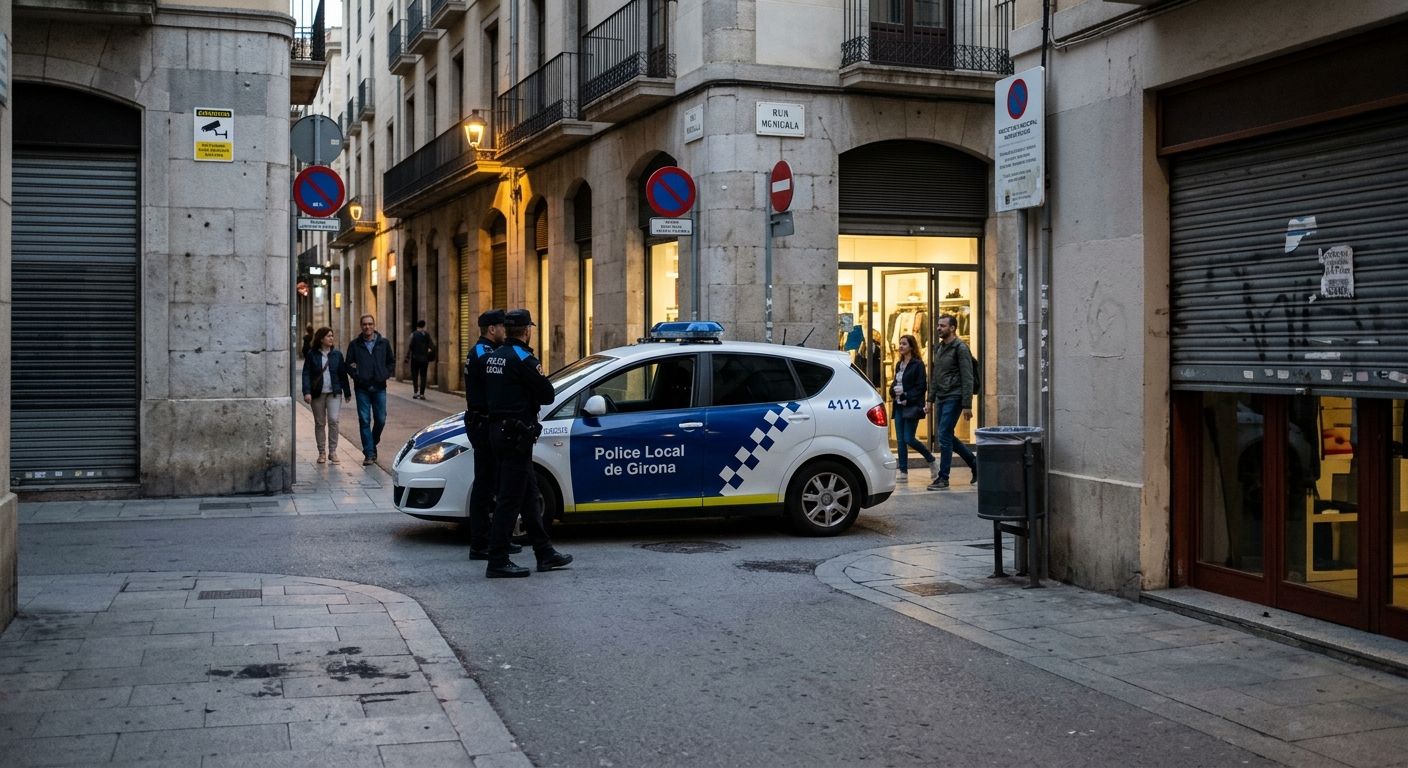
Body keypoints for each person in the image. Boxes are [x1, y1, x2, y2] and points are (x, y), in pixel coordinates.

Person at [482, 308, 572, 578]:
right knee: (510, 500)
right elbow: (547, 395)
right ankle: (497, 559)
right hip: (516, 435)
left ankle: (544, 552)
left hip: (499, 431)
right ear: (527, 330)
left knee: (530, 495)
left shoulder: (493, 357)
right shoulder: (524, 359)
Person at [463, 309, 519, 560]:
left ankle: (496, 539)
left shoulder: (484, 351)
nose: (505, 332)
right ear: (492, 329)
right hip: (483, 423)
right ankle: (480, 543)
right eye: (501, 327)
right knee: (485, 485)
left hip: (486, 422)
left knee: (493, 484)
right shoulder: (482, 353)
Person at [925, 314, 978, 490]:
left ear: (953, 328)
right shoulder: (939, 348)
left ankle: (943, 477)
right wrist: (930, 399)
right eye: (938, 325)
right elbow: (935, 376)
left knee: (944, 435)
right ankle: (974, 463)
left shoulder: (960, 348)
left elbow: (967, 377)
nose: (939, 328)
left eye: (943, 326)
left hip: (954, 396)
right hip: (941, 396)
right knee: (945, 435)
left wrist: (967, 404)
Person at [346, 313, 395, 466]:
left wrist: (385, 374)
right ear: (361, 326)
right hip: (362, 388)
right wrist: (357, 376)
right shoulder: (355, 344)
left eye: (370, 324)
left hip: (380, 387)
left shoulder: (384, 343)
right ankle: (369, 453)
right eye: (364, 324)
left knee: (380, 419)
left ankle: (372, 443)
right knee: (365, 420)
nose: (367, 327)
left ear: (374, 325)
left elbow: (391, 362)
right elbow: (348, 364)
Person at [301, 327, 352, 464]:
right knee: (320, 423)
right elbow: (306, 373)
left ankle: (333, 451)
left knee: (334, 420)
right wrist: (307, 392)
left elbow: (342, 374)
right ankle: (322, 452)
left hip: (334, 393)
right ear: (321, 338)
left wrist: (347, 392)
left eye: (332, 336)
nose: (331, 338)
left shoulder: (337, 355)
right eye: (328, 336)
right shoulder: (312, 355)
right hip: (317, 393)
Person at [890, 334, 936, 480]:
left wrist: (906, 396)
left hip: (911, 406)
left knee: (909, 438)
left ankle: (931, 459)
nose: (901, 346)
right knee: (900, 440)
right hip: (898, 406)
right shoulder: (899, 364)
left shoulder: (917, 364)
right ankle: (903, 471)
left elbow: (921, 387)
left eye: (904, 344)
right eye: (900, 343)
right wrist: (892, 391)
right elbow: (895, 382)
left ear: (911, 346)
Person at [408, 319, 436, 399]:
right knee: (423, 376)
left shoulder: (413, 334)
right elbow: (432, 346)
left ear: (417, 326)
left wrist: (407, 357)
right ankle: (422, 394)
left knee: (415, 375)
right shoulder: (426, 335)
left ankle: (415, 392)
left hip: (415, 359)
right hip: (424, 359)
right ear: (424, 326)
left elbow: (410, 346)